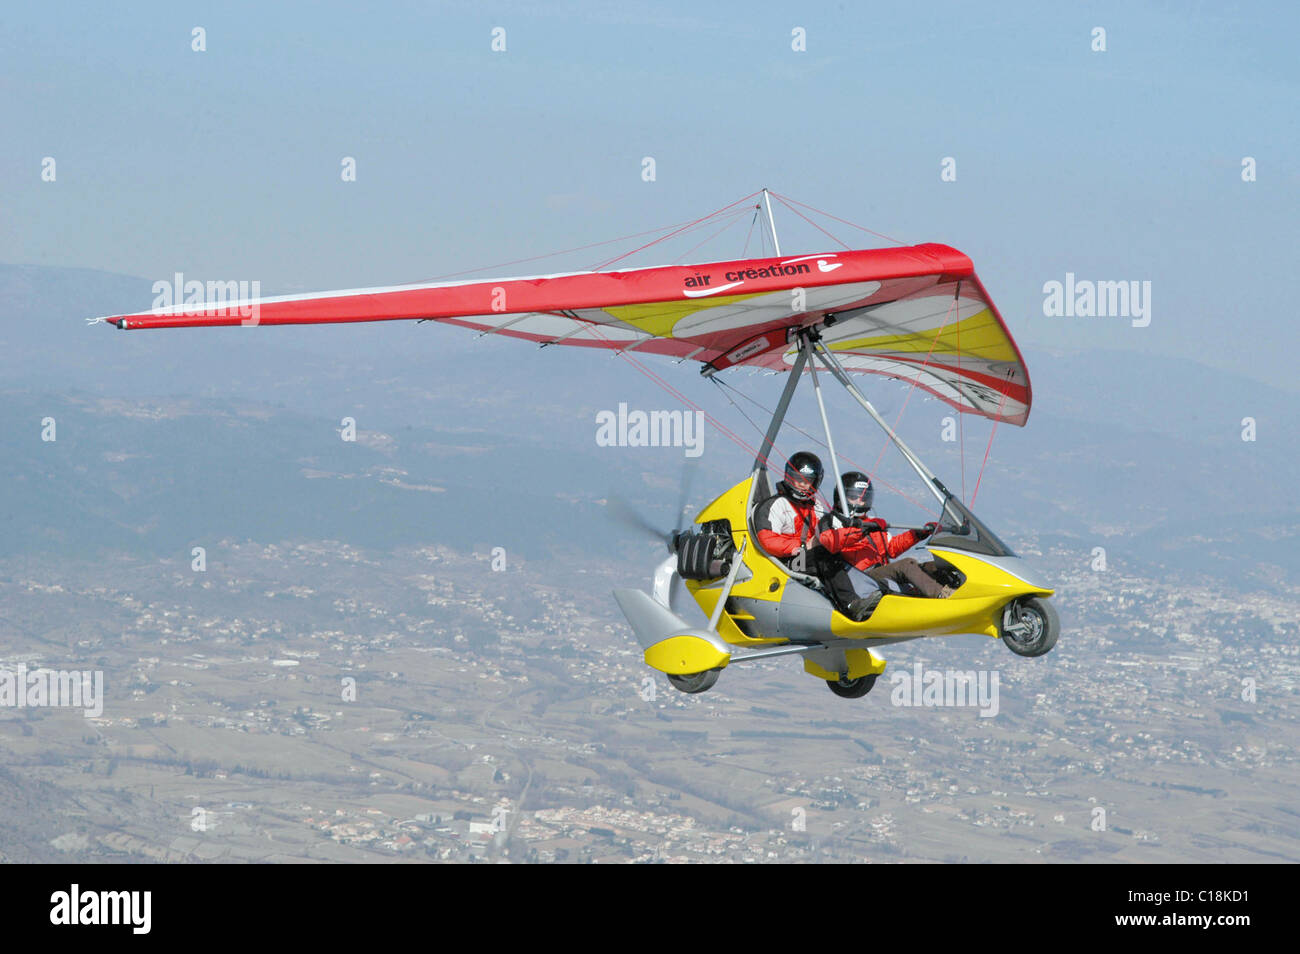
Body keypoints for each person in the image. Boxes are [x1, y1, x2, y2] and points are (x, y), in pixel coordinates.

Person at [754, 453, 878, 621]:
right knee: (825, 556)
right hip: (785, 563)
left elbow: (826, 534)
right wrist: (802, 546)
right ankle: (851, 605)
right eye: (798, 479)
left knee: (838, 554)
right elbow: (767, 540)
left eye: (808, 480)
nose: (803, 485)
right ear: (789, 477)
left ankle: (871, 594)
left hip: (807, 558)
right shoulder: (776, 504)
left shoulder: (816, 507)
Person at [817, 471, 953, 604]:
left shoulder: (870, 522)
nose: (860, 502)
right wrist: (861, 530)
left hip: (882, 570)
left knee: (932, 566)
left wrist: (917, 534)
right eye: (854, 497)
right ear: (841, 497)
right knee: (906, 565)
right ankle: (941, 596)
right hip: (862, 577)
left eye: (864, 498)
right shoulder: (832, 521)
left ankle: (960, 591)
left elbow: (892, 548)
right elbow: (830, 541)